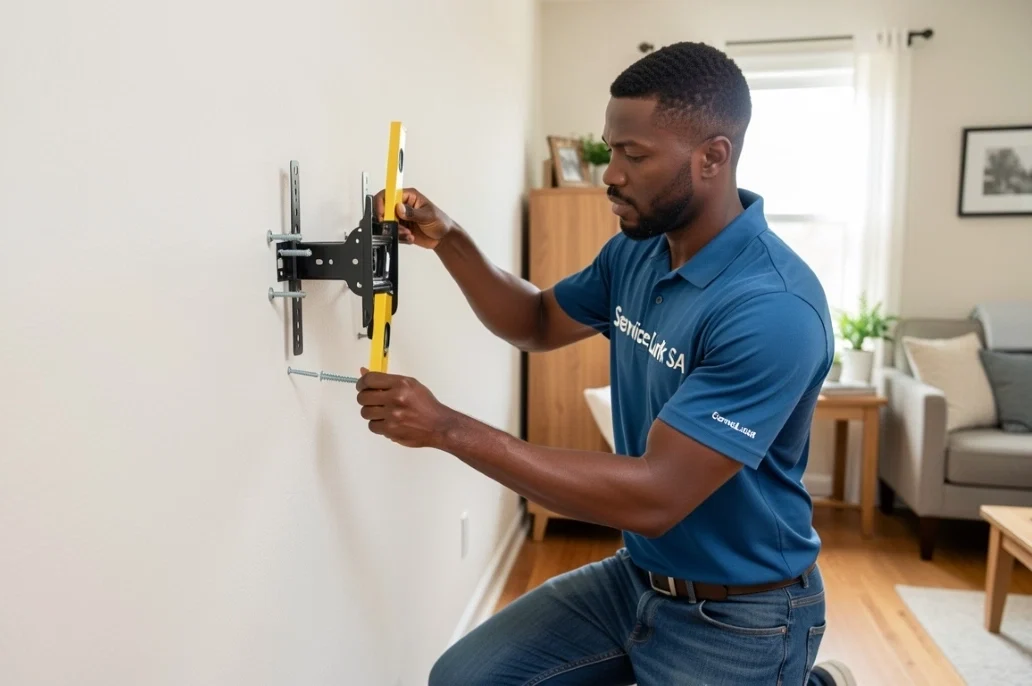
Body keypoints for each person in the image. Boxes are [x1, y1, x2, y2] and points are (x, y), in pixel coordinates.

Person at [354, 41, 855, 686]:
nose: (610, 174)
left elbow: (655, 495)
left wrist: (449, 429)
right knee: (464, 679)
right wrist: (450, 240)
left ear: (713, 157)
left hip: (743, 614)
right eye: (611, 149)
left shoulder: (772, 310)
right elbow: (534, 321)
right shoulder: (639, 252)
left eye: (634, 155)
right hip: (636, 579)